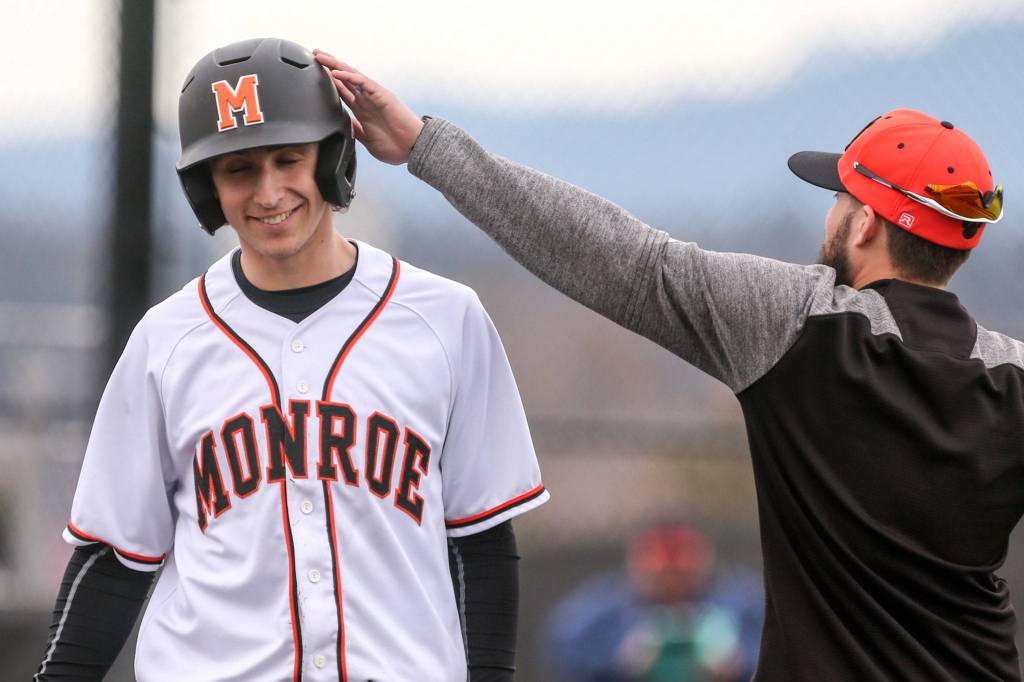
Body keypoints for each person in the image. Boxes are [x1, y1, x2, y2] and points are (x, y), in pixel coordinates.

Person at [313, 51, 1023, 681]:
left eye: (839, 197)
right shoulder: (1013, 380)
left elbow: (616, 253)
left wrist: (425, 148)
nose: (832, 214)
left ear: (867, 222)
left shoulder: (797, 325)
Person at [34, 37, 548, 682]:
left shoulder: (444, 319)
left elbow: (481, 540)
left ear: (332, 160)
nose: (269, 191)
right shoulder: (167, 339)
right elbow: (114, 556)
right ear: (206, 186)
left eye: (288, 159)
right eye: (239, 169)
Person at [547, 521, 762, 682]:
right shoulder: (606, 606)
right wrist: (619, 659)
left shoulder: (740, 601)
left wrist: (740, 663)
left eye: (681, 575)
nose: (673, 585)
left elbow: (781, 648)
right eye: (662, 577)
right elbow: (562, 647)